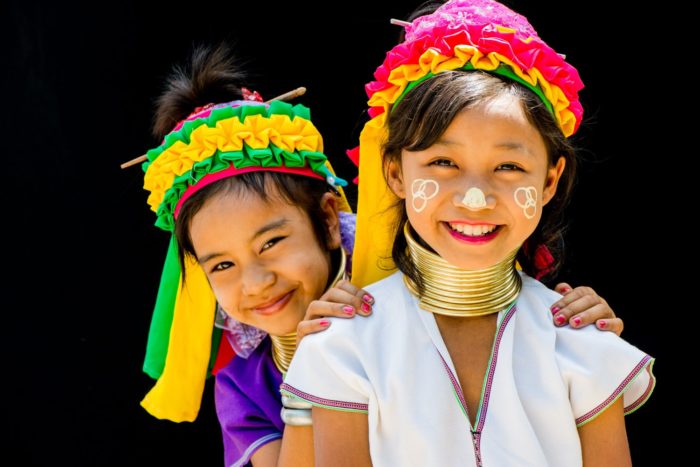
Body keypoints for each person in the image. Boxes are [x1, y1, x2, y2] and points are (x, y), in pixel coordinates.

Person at [130, 42, 624, 466]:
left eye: (272, 242)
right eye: (222, 264)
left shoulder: (549, 328)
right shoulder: (293, 362)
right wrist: (314, 370)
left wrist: (584, 332)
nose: (256, 280)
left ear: (329, 220)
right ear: (395, 173)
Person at [281, 1, 655, 466]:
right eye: (443, 163)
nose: (475, 197)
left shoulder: (581, 342)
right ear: (394, 173)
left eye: (509, 167)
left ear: (550, 181)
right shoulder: (346, 346)